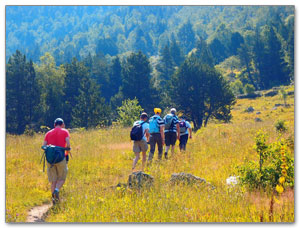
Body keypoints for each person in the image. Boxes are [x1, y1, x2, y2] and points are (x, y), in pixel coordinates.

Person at [42, 118, 70, 203]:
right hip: (61, 158)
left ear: (54, 124)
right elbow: (68, 144)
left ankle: (54, 199)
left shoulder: (48, 133)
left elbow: (43, 146)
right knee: (62, 178)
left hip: (50, 159)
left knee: (53, 181)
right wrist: (67, 152)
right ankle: (57, 190)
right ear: (62, 124)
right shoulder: (65, 132)